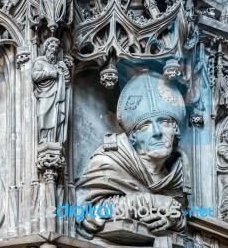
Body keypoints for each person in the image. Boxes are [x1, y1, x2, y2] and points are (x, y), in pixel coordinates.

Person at [76, 70, 191, 237]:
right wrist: (152, 202)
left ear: (175, 131)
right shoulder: (108, 161)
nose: (157, 132)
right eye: (146, 126)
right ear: (133, 137)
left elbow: (180, 214)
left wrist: (174, 219)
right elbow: (87, 214)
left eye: (164, 122)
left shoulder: (177, 172)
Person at [32, 37, 70, 144]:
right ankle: (43, 139)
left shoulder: (59, 65)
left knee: (56, 117)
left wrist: (65, 70)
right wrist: (50, 74)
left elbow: (67, 82)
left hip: (57, 95)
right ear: (46, 47)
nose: (54, 49)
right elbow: (35, 76)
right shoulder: (40, 62)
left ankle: (54, 139)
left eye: (56, 48)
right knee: (43, 115)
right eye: (52, 46)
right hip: (44, 94)